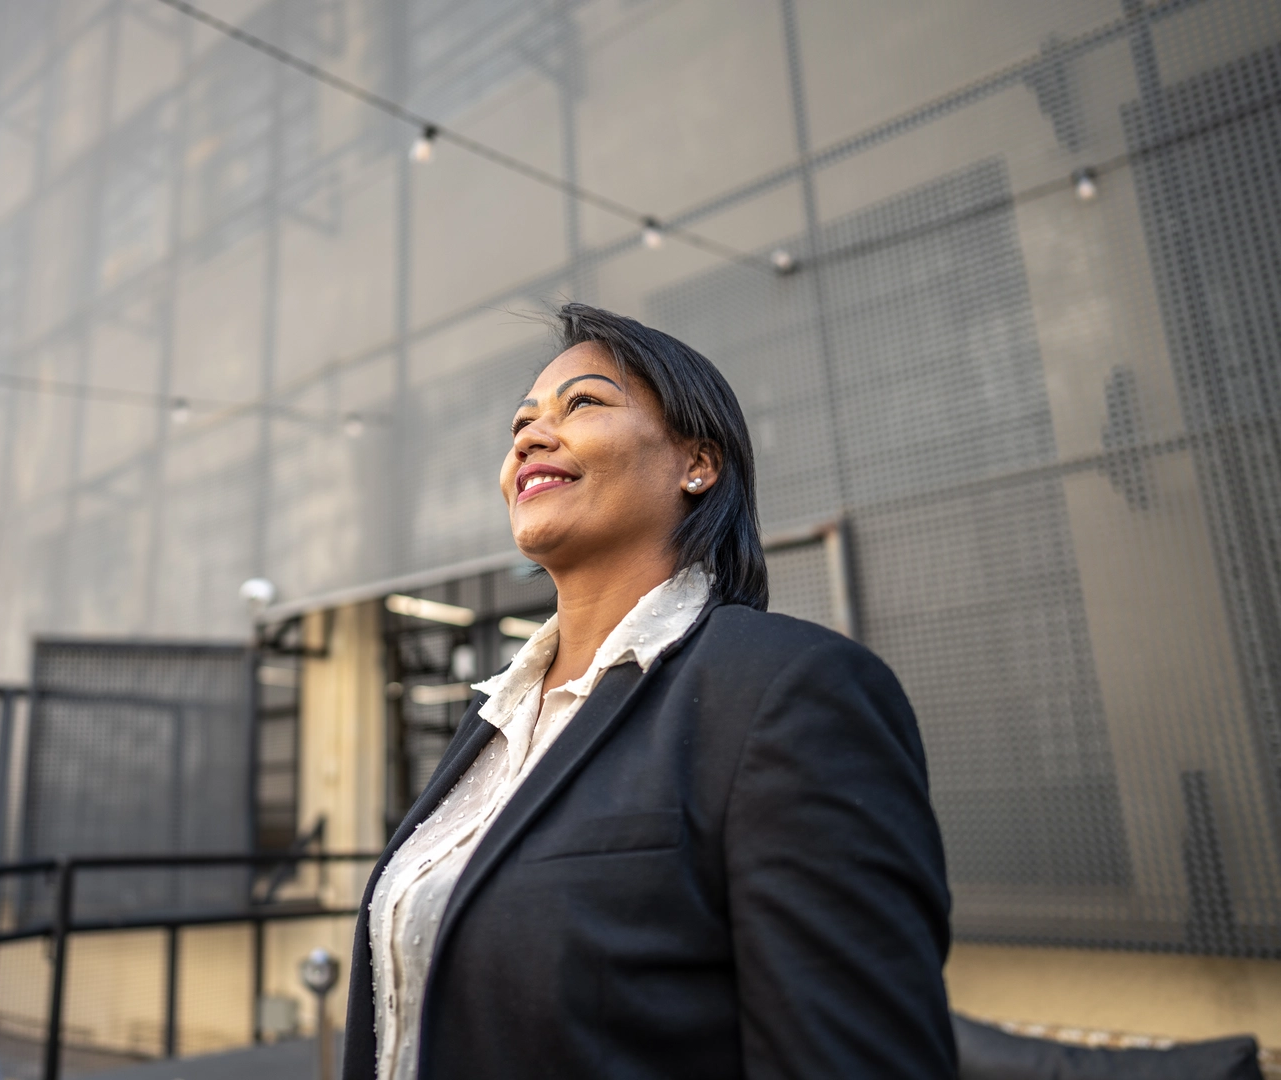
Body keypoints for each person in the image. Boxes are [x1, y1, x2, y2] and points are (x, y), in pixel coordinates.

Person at [342, 304, 955, 1079]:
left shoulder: (787, 691)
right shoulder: (492, 718)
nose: (530, 435)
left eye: (583, 403)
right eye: (522, 422)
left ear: (698, 462)